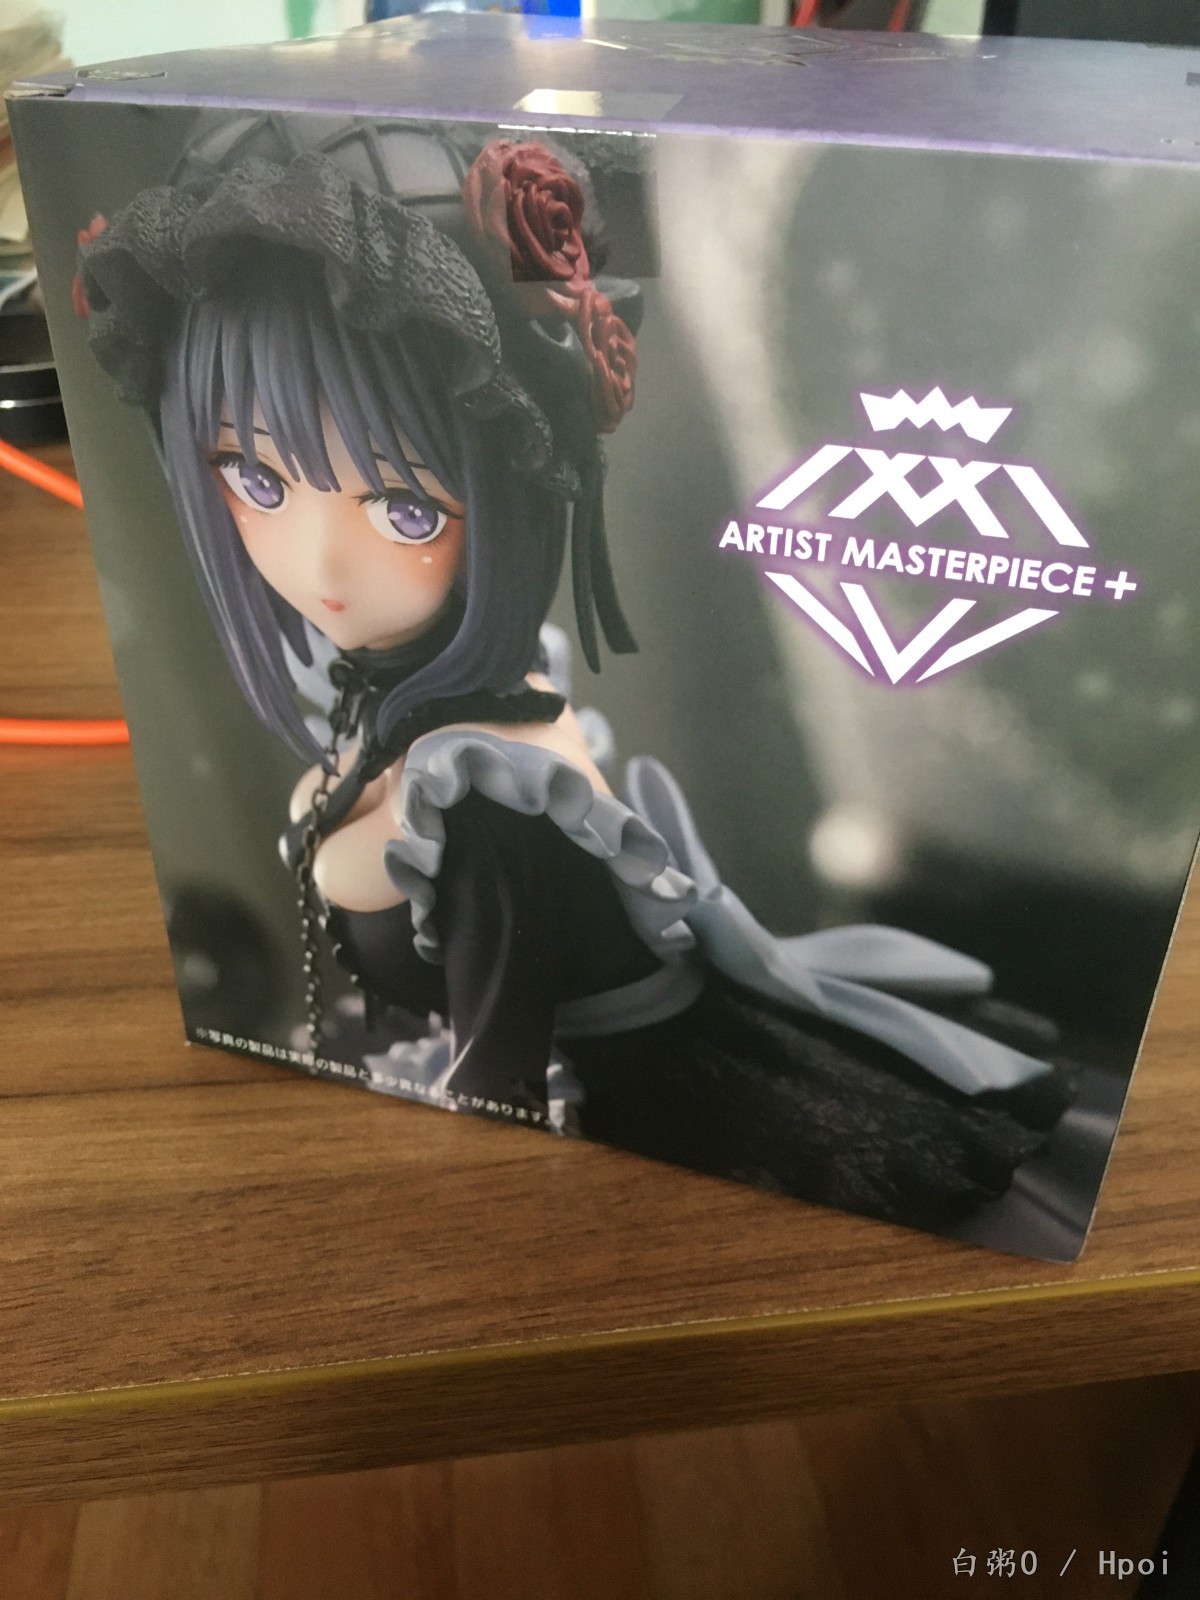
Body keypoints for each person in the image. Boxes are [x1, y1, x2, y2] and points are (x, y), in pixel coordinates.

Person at [75, 120, 1072, 1234]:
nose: (320, 564)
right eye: (253, 477)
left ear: (508, 497)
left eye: (402, 506)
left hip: (631, 1120)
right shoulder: (402, 718)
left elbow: (497, 1096)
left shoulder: (488, 796)